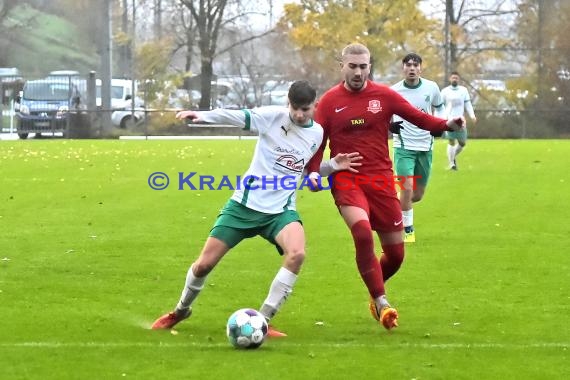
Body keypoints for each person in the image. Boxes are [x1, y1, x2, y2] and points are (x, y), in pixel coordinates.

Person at [151, 80, 362, 338]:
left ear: (314, 106)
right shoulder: (272, 117)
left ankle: (263, 319)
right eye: (294, 108)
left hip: (280, 211)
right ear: (288, 102)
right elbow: (237, 115)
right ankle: (181, 310)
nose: (298, 114)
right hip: (243, 206)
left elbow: (305, 172)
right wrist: (202, 115)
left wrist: (329, 167)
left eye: (304, 109)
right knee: (203, 266)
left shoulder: (317, 134)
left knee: (297, 254)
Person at [305, 43, 464, 330]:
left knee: (396, 255)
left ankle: (374, 288)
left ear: (370, 66)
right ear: (341, 65)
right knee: (362, 232)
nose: (358, 72)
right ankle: (382, 302)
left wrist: (447, 123)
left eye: (363, 66)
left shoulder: (383, 95)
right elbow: (316, 143)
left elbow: (419, 118)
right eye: (352, 66)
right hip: (347, 179)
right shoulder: (329, 102)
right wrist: (315, 172)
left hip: (380, 180)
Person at [390, 53, 446, 243]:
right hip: (403, 146)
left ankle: (390, 208)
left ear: (420, 68)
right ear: (403, 68)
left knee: (417, 195)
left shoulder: (432, 87)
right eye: (408, 65)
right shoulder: (394, 91)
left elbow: (439, 107)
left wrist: (440, 124)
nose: (412, 68)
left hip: (425, 145)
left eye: (415, 65)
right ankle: (408, 230)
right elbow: (383, 113)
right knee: (405, 189)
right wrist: (389, 126)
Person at [441, 71, 477, 170]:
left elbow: (467, 104)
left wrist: (472, 115)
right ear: (450, 79)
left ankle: (452, 157)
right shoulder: (445, 91)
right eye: (453, 78)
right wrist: (441, 118)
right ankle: (452, 163)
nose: (454, 79)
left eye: (456, 78)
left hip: (461, 121)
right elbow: (440, 106)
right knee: (451, 141)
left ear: (459, 79)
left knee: (462, 143)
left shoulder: (463, 90)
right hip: (449, 120)